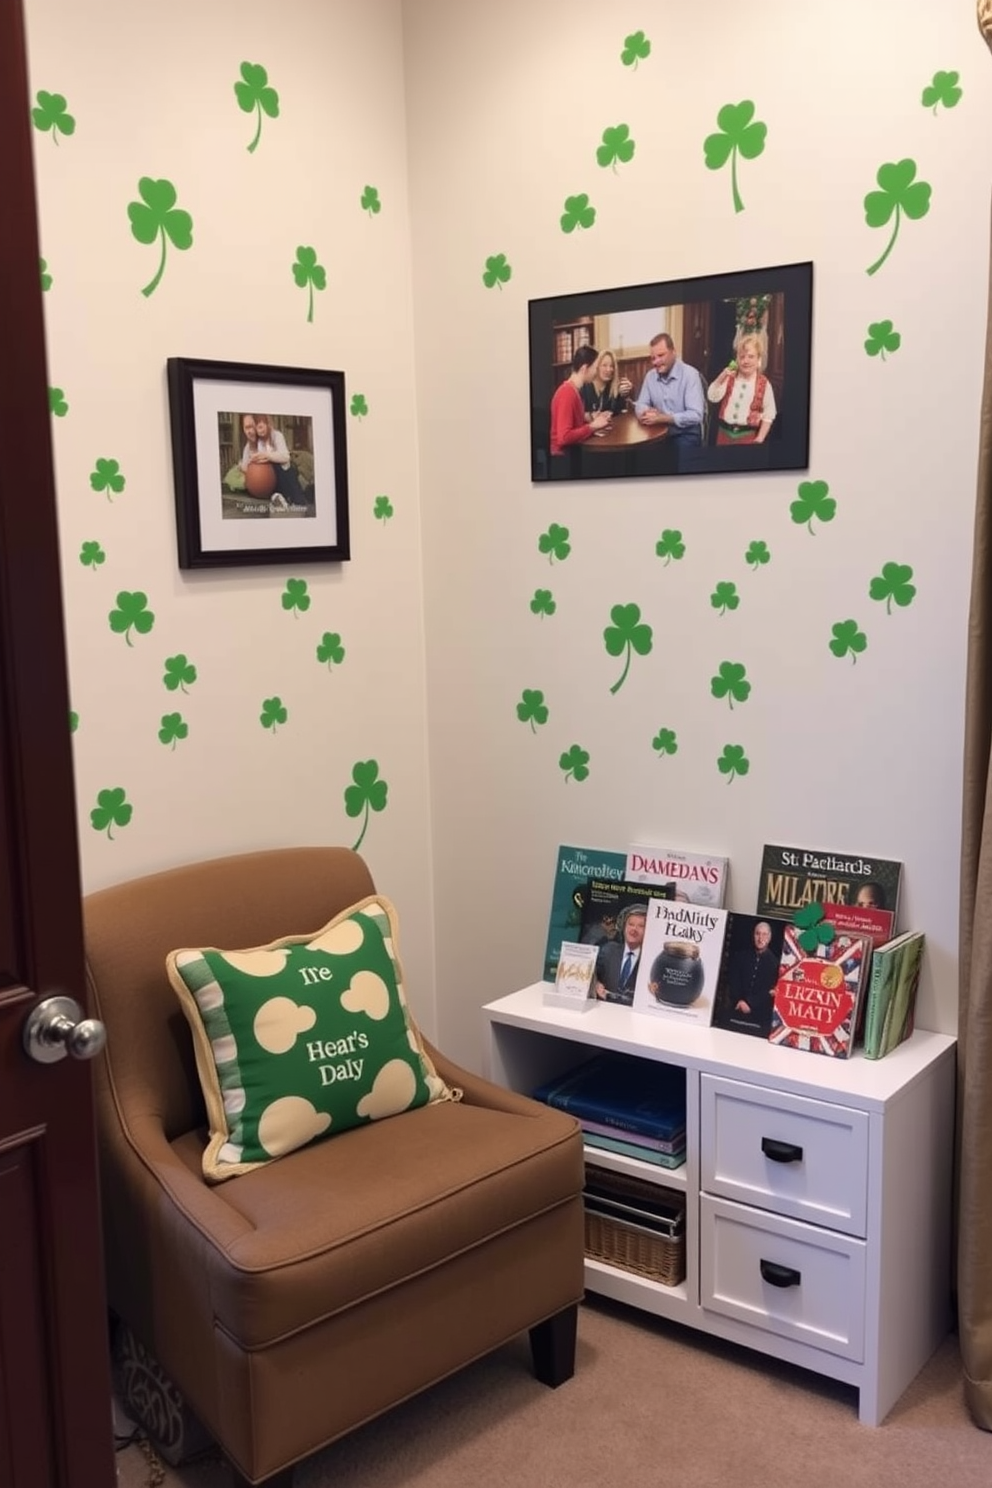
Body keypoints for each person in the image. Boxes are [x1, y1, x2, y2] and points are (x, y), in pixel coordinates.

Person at [633, 333, 705, 454]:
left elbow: (696, 415)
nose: (656, 361)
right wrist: (645, 412)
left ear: (673, 352)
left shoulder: (690, 375)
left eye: (661, 355)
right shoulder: (650, 376)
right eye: (653, 358)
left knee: (681, 466)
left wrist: (664, 418)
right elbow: (640, 404)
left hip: (685, 434)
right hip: (657, 434)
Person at [707, 332, 777, 446]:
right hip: (723, 436)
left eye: (751, 356)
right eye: (742, 356)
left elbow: (769, 415)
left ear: (759, 359)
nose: (746, 361)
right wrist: (723, 375)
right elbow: (712, 397)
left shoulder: (764, 384)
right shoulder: (729, 377)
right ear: (737, 359)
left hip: (748, 438)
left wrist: (760, 438)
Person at [722, 920, 780, 1037]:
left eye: (764, 934)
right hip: (737, 1008)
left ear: (769, 937)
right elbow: (733, 981)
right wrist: (740, 1001)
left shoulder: (775, 964)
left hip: (760, 1017)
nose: (760, 938)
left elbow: (771, 991)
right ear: (753, 936)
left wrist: (750, 1003)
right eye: (757, 934)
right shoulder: (740, 957)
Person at [550, 345, 611, 455]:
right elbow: (564, 437)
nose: (596, 372)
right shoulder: (567, 393)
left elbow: (574, 424)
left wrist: (592, 421)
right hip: (563, 458)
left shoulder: (574, 390)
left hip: (572, 453)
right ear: (584, 369)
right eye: (595, 368)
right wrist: (593, 426)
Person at [245, 414, 309, 508]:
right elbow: (248, 461)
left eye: (261, 427)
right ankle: (281, 498)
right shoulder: (258, 441)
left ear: (267, 424)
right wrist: (254, 457)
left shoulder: (277, 435)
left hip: (285, 473)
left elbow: (285, 457)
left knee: (299, 500)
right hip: (270, 479)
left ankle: (297, 498)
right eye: (257, 429)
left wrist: (266, 455)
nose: (260, 431)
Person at [594, 903, 648, 1006]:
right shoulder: (608, 950)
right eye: (631, 924)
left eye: (641, 926)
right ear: (623, 926)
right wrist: (596, 985)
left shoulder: (649, 960)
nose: (634, 929)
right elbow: (592, 975)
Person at [581, 349, 632, 419]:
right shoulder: (585, 387)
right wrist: (592, 416)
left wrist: (628, 394)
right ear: (597, 367)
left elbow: (622, 414)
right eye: (604, 365)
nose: (608, 369)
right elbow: (577, 416)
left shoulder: (616, 389)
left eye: (611, 366)